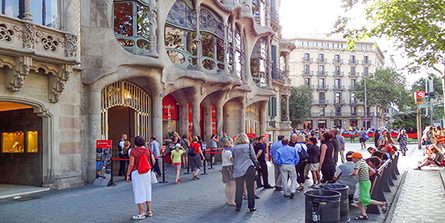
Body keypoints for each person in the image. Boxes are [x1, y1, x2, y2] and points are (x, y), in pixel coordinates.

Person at [349, 152, 387, 220]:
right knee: (357, 198)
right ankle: (363, 214)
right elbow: (372, 171)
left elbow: (356, 172)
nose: (351, 159)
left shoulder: (358, 163)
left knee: (364, 199)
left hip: (363, 183)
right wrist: (366, 176)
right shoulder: (363, 162)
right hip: (366, 182)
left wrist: (351, 174)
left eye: (352, 158)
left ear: (356, 158)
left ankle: (381, 204)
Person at [125, 136, 156, 220]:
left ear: (135, 143)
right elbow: (153, 161)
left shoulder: (133, 151)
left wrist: (127, 174)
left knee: (139, 191)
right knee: (147, 190)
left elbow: (131, 164)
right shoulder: (147, 150)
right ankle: (149, 211)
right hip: (146, 172)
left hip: (137, 172)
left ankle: (141, 213)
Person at [233, 133, 257, 212]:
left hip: (238, 169)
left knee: (239, 188)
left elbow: (233, 158)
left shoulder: (234, 148)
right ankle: (251, 206)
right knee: (250, 188)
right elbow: (253, 157)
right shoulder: (249, 146)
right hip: (249, 167)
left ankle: (238, 205)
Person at [221, 138, 236, 206]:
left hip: (224, 167)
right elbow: (232, 160)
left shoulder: (223, 151)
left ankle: (227, 199)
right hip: (230, 167)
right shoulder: (229, 152)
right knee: (232, 184)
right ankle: (231, 200)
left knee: (227, 185)